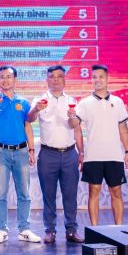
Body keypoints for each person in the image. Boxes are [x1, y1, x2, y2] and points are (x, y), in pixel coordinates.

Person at [28, 65, 85, 244]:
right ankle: (50, 231)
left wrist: (81, 152)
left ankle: (71, 230)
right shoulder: (40, 100)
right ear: (47, 79)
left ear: (64, 79)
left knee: (70, 195)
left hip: (69, 154)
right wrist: (36, 109)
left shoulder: (72, 100)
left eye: (59, 76)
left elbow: (76, 127)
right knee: (48, 195)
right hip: (48, 154)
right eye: (52, 76)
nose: (55, 80)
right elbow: (29, 118)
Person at [0, 66, 40, 244]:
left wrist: (31, 150)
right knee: (0, 193)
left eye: (9, 76)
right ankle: (2, 229)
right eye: (2, 77)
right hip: (0, 152)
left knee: (24, 192)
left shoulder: (23, 102)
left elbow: (28, 126)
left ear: (15, 79)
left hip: (21, 151)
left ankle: (24, 229)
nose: (5, 80)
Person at [71, 64, 128, 225]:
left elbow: (123, 129)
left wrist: (127, 152)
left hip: (114, 155)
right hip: (93, 155)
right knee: (94, 191)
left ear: (107, 79)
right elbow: (74, 124)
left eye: (101, 77)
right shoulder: (85, 103)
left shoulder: (118, 102)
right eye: (94, 77)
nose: (97, 80)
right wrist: (71, 117)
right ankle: (95, 229)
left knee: (116, 192)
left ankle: (118, 228)